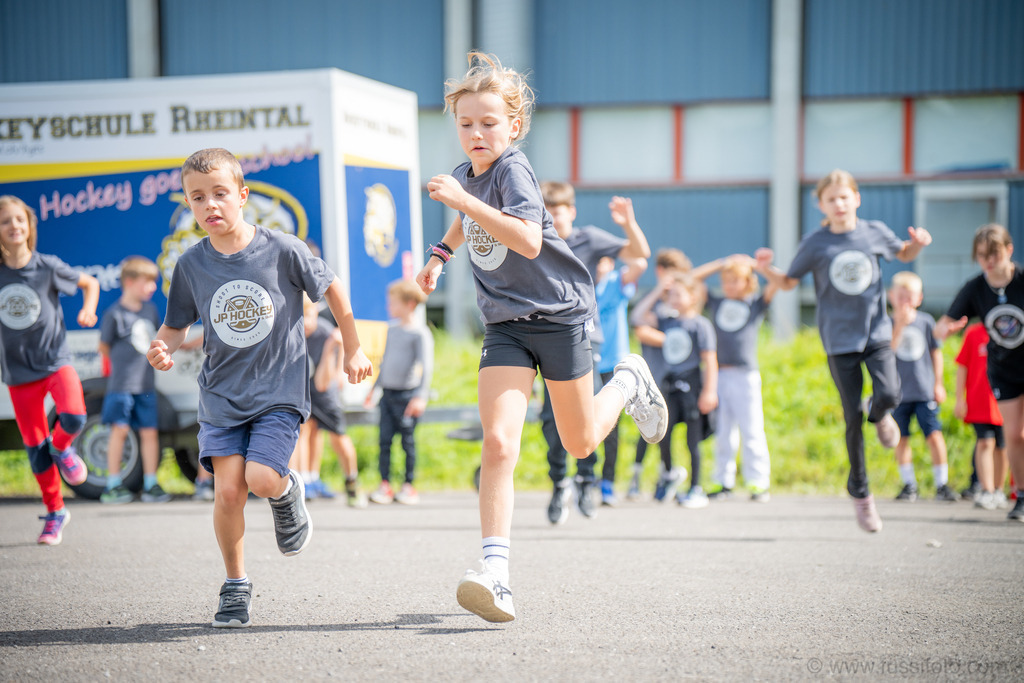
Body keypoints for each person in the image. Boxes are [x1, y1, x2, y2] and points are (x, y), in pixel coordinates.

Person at [416, 52, 667, 623]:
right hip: (505, 324)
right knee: (499, 443)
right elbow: (466, 220)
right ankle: (496, 576)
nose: (476, 134)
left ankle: (627, 381)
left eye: (488, 123)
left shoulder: (514, 170)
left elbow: (528, 240)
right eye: (465, 124)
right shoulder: (468, 175)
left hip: (558, 316)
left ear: (514, 126)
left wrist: (464, 202)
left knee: (580, 444)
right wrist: (440, 256)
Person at [147, 148, 372, 628]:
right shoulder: (191, 265)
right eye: (197, 197)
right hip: (221, 395)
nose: (210, 204)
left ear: (243, 195)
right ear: (188, 204)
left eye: (220, 193)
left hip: (278, 391)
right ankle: (235, 584)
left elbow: (333, 288)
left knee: (262, 479)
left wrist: (353, 348)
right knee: (228, 491)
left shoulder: (283, 249)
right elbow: (176, 325)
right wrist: (163, 346)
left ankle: (287, 492)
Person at [757, 169, 932, 533]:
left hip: (876, 332)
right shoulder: (815, 243)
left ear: (856, 199)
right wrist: (765, 270)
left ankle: (878, 412)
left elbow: (903, 252)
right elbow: (787, 282)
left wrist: (918, 244)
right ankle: (861, 492)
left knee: (890, 393)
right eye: (831, 199)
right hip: (839, 342)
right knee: (852, 417)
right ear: (821, 205)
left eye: (844, 197)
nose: (839, 204)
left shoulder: (874, 232)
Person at [539, 182, 650, 523]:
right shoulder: (533, 240)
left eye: (557, 212)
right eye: (545, 212)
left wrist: (628, 224)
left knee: (585, 411)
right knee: (551, 419)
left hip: (585, 337)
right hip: (545, 337)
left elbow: (639, 253)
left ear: (571, 212)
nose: (551, 218)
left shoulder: (587, 239)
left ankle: (587, 479)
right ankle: (559, 481)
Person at [0, 195, 98, 545]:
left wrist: (88, 310)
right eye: (5, 221)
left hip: (55, 360)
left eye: (19, 220)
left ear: (29, 226)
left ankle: (63, 449)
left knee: (73, 417)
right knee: (35, 449)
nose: (13, 226)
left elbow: (90, 283)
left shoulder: (47, 266)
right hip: (18, 373)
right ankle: (55, 511)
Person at [935, 223, 1023, 522]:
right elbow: (943, 324)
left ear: (1009, 250)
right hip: (1003, 370)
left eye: (994, 254)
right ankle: (1021, 496)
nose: (988, 261)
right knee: (1014, 434)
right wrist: (946, 330)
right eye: (982, 255)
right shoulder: (975, 288)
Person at [690, 253, 776, 502]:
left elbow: (777, 283)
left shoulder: (755, 304)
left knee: (752, 429)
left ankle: (758, 482)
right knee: (723, 431)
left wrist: (755, 266)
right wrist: (721, 264)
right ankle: (722, 480)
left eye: (736, 280)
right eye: (726, 281)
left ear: (748, 282)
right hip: (719, 373)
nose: (729, 285)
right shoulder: (717, 302)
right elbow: (691, 278)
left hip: (745, 374)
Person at [630, 270, 718, 508]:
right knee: (663, 433)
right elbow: (638, 317)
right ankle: (669, 474)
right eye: (671, 295)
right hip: (670, 385)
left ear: (693, 296)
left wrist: (710, 391)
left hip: (692, 385)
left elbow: (710, 360)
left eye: (679, 294)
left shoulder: (700, 325)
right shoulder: (666, 321)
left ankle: (696, 487)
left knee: (693, 440)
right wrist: (659, 289)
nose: (673, 299)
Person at [98, 256, 171, 504]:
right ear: (129, 282)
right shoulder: (114, 314)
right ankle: (113, 484)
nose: (152, 287)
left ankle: (151, 484)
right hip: (120, 386)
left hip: (146, 386)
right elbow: (104, 347)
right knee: (119, 431)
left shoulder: (150, 311)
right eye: (147, 282)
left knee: (150, 433)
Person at [627, 248, 692, 500]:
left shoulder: (677, 304)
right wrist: (657, 291)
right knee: (645, 425)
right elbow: (637, 320)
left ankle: (665, 474)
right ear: (660, 272)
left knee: (665, 428)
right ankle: (638, 476)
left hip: (672, 378)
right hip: (651, 376)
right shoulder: (653, 302)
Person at [886, 271, 955, 502]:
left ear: (919, 298)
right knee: (901, 438)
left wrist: (938, 383)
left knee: (934, 435)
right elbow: (887, 354)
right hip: (898, 393)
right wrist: (899, 325)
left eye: (910, 297)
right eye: (900, 297)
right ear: (891, 296)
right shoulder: (886, 323)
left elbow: (936, 353)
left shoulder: (926, 322)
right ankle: (909, 485)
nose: (905, 302)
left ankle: (941, 483)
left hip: (924, 390)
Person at [366, 279, 433, 506]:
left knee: (407, 442)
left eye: (393, 303)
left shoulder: (420, 333)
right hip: (387, 394)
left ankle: (408, 485)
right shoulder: (392, 330)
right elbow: (384, 363)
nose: (389, 307)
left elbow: (426, 367)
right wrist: (374, 389)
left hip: (408, 396)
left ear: (410, 304)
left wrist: (420, 396)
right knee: (384, 441)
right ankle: (384, 484)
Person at [299, 296, 367, 507]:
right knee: (304, 432)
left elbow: (322, 383)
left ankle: (351, 480)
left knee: (338, 437)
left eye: (309, 315)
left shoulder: (326, 333)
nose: (305, 322)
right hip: (301, 391)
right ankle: (307, 479)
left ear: (316, 312)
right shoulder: (292, 332)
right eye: (300, 316)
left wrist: (330, 349)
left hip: (324, 390)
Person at [594, 254, 647, 506]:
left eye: (602, 259)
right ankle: (584, 477)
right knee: (578, 424)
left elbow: (640, 263)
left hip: (613, 365)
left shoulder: (616, 282)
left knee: (611, 429)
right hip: (585, 363)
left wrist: (620, 245)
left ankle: (607, 482)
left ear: (610, 263)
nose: (597, 264)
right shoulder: (580, 283)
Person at [954, 322, 1008, 510]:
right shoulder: (974, 333)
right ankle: (986, 489)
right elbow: (962, 366)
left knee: (1002, 447)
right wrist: (959, 399)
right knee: (984, 442)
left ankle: (999, 490)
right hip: (978, 399)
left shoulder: (1010, 330)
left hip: (1005, 400)